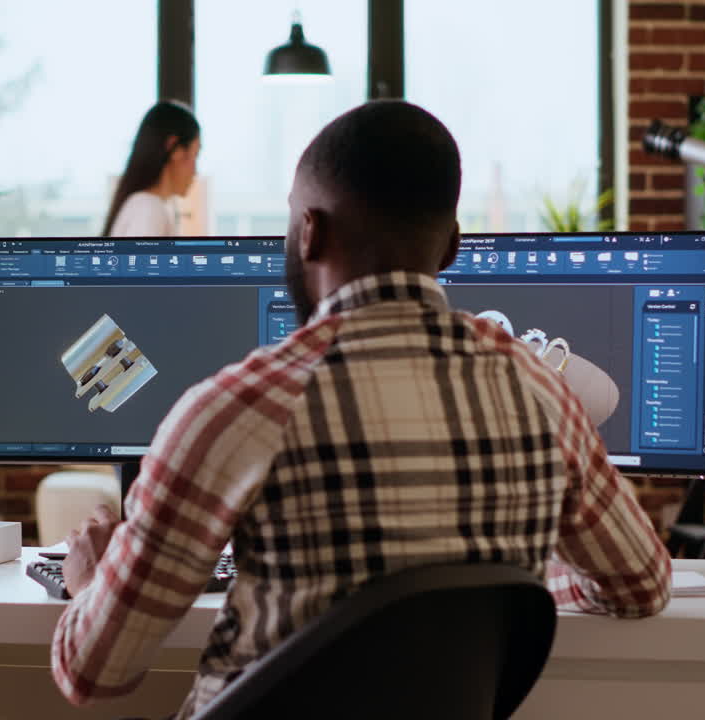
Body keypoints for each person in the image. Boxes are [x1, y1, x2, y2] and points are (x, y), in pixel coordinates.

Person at [52, 101, 672, 718]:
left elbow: (93, 671)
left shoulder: (235, 411)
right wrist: (517, 582)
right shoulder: (541, 393)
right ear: (451, 246)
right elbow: (641, 584)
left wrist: (88, 583)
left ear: (309, 232)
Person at [103, 100, 201, 237]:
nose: (195, 172)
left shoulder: (146, 206)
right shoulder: (149, 208)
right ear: (175, 149)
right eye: (195, 155)